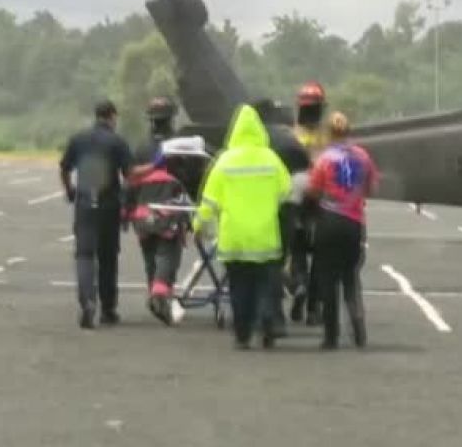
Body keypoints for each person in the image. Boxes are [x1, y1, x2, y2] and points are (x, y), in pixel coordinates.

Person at [193, 105, 291, 349]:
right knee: (265, 284)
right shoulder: (271, 159)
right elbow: (285, 192)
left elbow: (209, 202)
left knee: (239, 288)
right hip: (265, 236)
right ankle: (267, 319)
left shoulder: (224, 161)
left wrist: (198, 225)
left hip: (234, 238)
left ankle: (242, 334)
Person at [306, 112, 378, 349]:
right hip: (353, 223)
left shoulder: (324, 159)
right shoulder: (363, 157)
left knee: (328, 280)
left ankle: (331, 335)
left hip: (328, 222)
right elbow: (371, 188)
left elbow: (313, 191)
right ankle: (359, 330)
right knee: (350, 278)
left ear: (329, 133)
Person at [59, 100, 133, 329]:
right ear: (112, 116)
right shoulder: (117, 141)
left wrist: (71, 190)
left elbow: (64, 168)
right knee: (108, 257)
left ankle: (87, 301)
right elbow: (129, 174)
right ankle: (108, 309)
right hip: (108, 205)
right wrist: (126, 204)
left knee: (84, 255)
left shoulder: (78, 139)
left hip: (84, 204)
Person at [125, 137, 206, 326]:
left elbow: (128, 196)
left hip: (143, 222)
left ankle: (154, 292)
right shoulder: (175, 181)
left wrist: (127, 216)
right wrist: (192, 225)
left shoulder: (143, 179)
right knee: (167, 259)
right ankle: (159, 295)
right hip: (166, 224)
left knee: (150, 260)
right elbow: (184, 205)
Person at [252, 99, 312, 336]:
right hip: (287, 208)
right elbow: (306, 169)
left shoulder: (251, 141)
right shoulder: (290, 139)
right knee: (276, 262)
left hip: (256, 210)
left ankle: (263, 317)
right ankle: (281, 308)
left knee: (257, 267)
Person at [291, 81, 328, 324]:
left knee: (297, 251)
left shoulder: (291, 136)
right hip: (322, 202)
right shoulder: (328, 137)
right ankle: (314, 309)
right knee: (321, 256)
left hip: (295, 200)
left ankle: (299, 284)